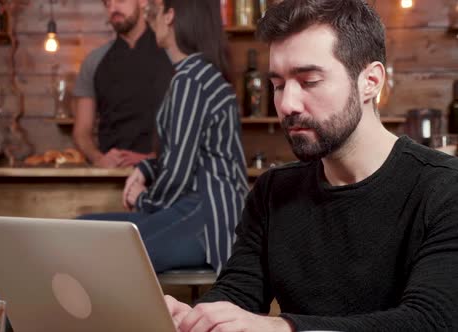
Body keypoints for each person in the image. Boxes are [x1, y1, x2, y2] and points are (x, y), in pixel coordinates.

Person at [164, 0, 458, 331]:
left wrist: (282, 328)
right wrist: (191, 318)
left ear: (370, 82)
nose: (287, 103)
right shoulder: (273, 191)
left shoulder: (444, 188)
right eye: (277, 84)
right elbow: (237, 293)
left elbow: (431, 320)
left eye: (309, 81)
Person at [79, 0, 248, 274]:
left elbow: (177, 176)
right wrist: (145, 168)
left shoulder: (190, 80)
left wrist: (142, 199)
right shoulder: (198, 74)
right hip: (202, 214)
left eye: (155, 10)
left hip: (206, 223)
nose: (151, 17)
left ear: (170, 16)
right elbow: (184, 153)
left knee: (94, 245)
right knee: (84, 231)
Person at [72, 0, 174, 168]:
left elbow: (191, 126)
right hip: (112, 177)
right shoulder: (94, 62)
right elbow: (81, 132)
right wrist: (99, 159)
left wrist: (152, 159)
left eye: (120, 0)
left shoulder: (172, 55)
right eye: (107, 3)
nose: (113, 9)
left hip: (164, 176)